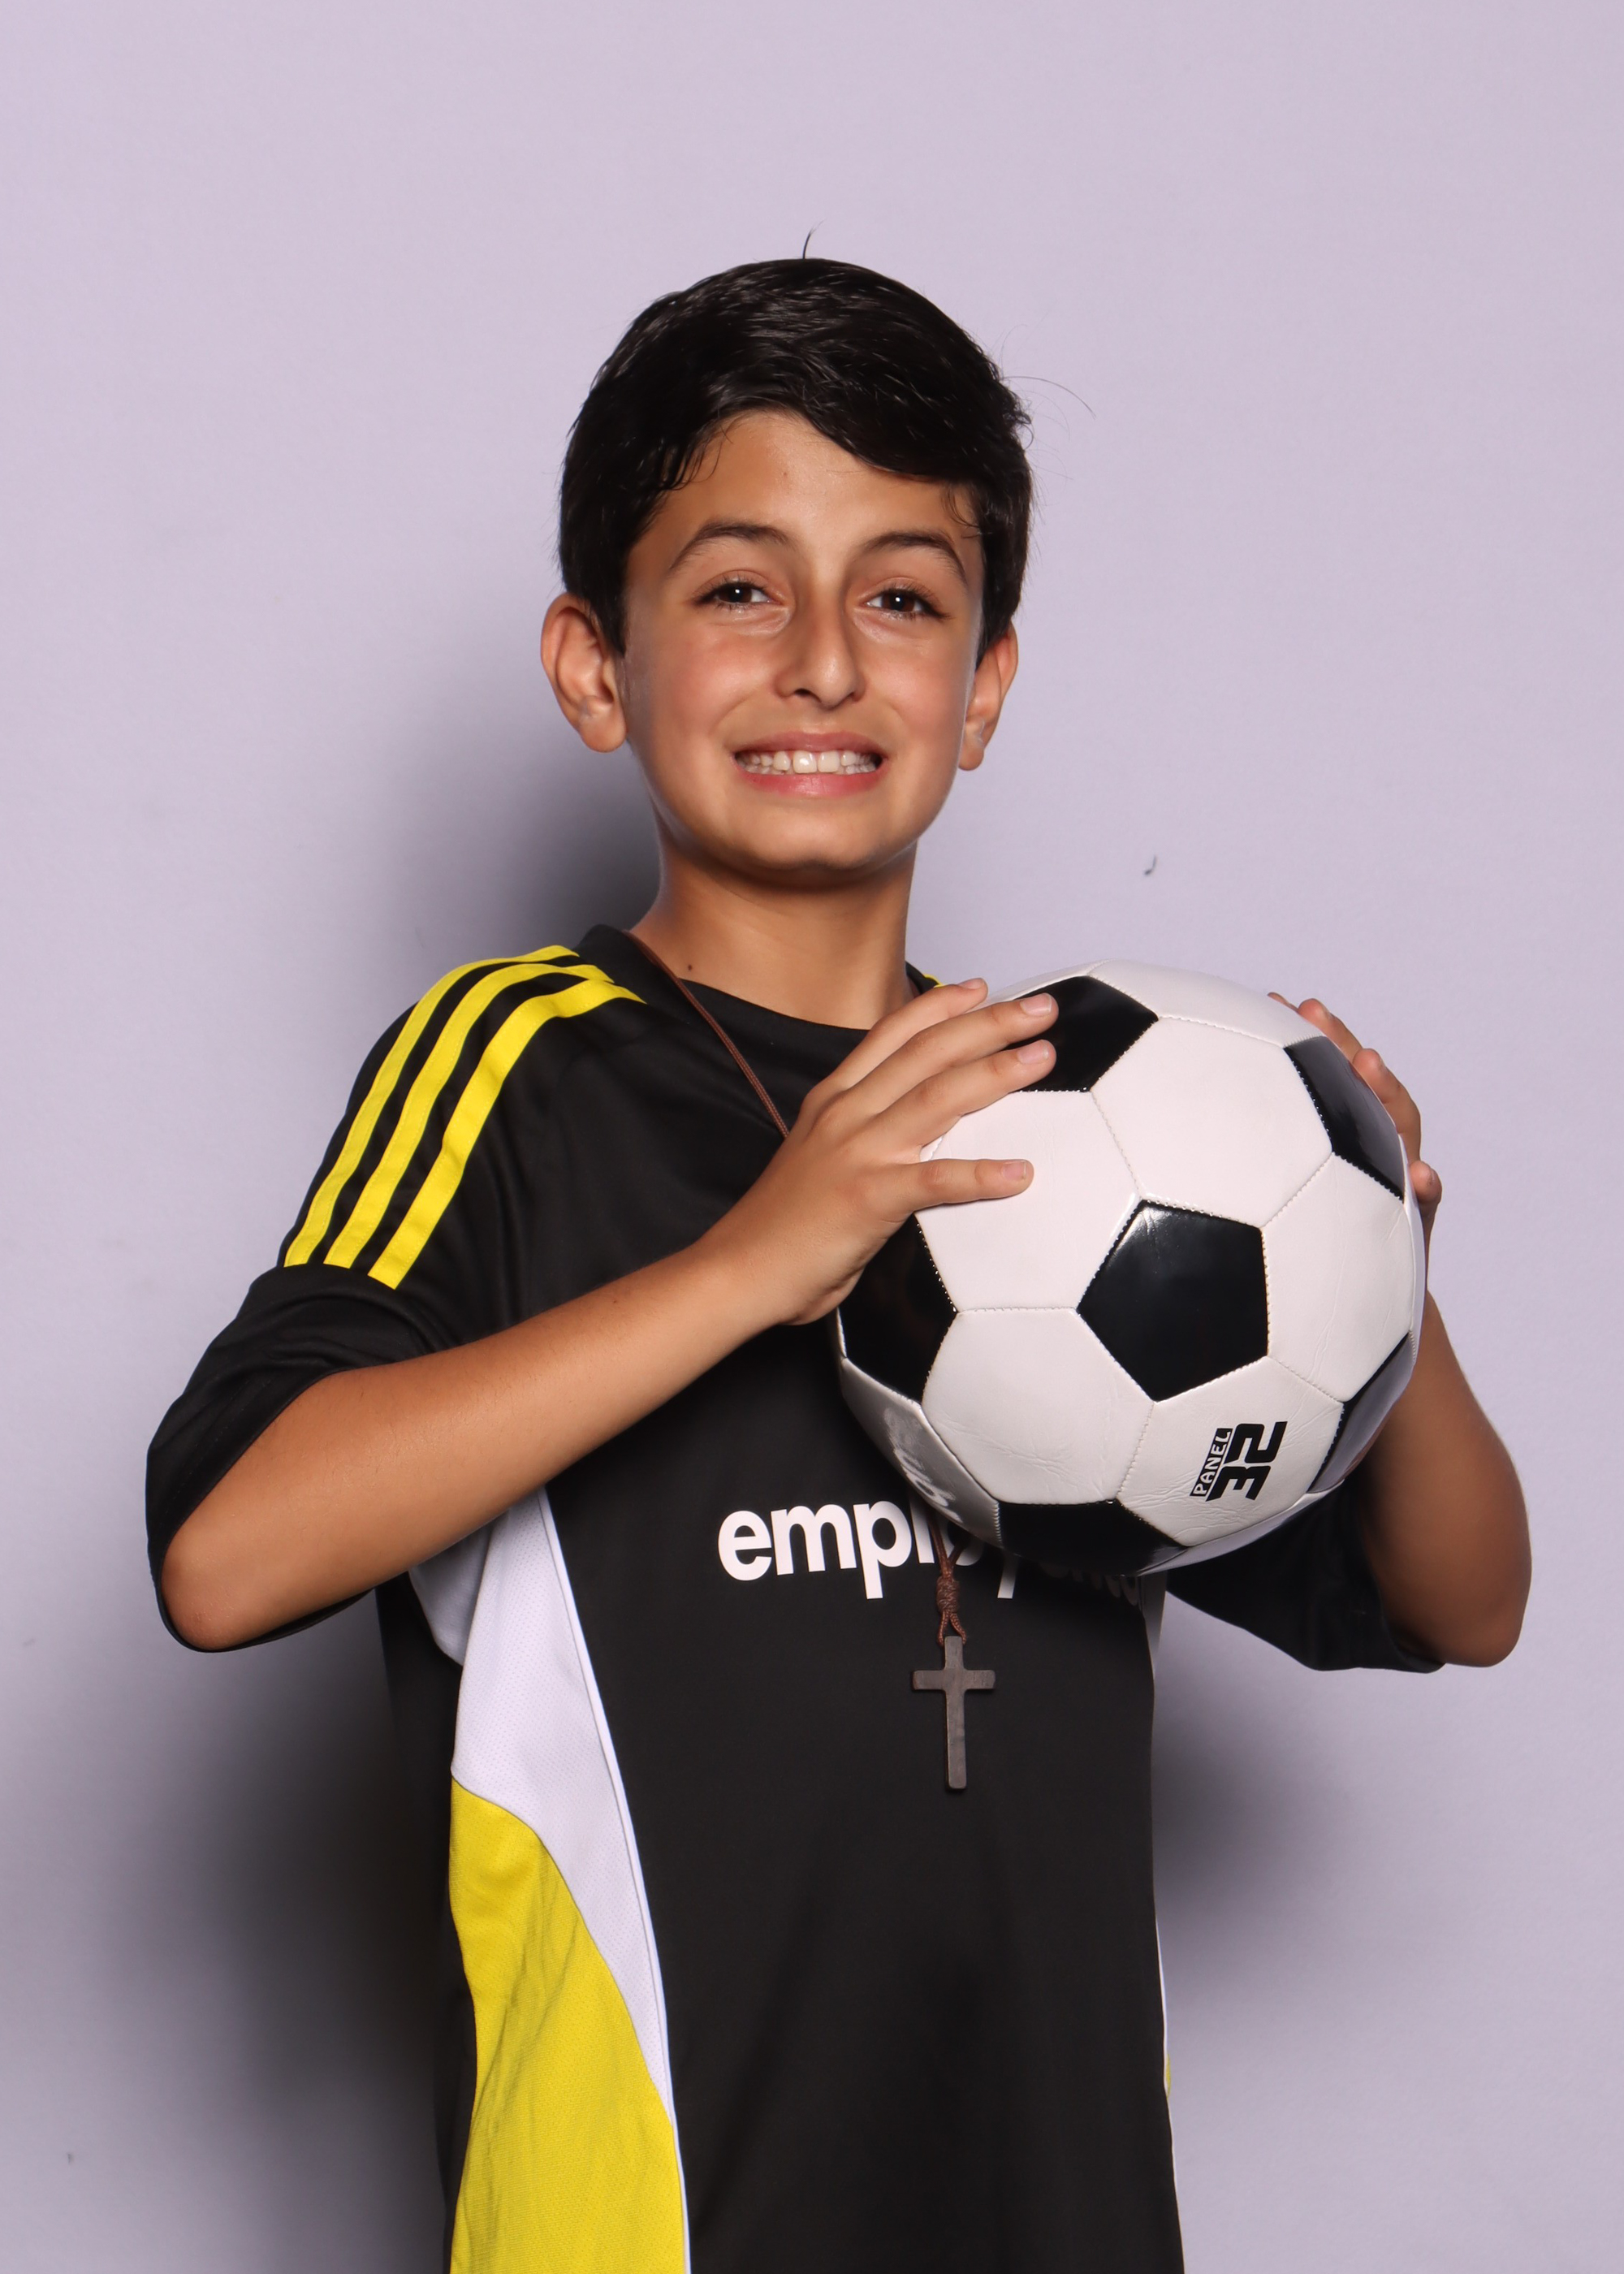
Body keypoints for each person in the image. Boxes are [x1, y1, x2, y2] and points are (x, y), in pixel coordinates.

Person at [147, 259, 1530, 2274]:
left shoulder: (1089, 1122)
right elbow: (226, 1553)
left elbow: (1462, 1597)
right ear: (594, 666)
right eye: (737, 586)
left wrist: (1366, 1251)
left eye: (899, 595)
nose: (819, 661)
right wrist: (752, 1261)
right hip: (653, 2219)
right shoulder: (521, 1064)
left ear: (983, 685)